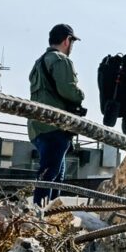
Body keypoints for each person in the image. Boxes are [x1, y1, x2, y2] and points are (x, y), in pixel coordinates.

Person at [28, 23, 86, 206]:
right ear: (67, 40)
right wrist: (81, 95)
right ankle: (41, 216)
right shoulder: (61, 60)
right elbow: (68, 91)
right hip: (55, 126)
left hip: (38, 127)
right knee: (50, 174)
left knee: (54, 173)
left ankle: (48, 214)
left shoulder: (39, 62)